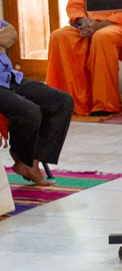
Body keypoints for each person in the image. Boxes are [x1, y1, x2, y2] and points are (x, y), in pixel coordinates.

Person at [46, 0, 122, 116]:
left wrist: (101, 25)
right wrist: (85, 22)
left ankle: (104, 105)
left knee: (102, 37)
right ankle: (66, 102)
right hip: (89, 25)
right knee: (59, 36)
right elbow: (74, 6)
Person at [0, 20, 73, 186]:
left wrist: (4, 37)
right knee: (31, 112)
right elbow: (5, 36)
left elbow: (11, 33)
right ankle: (23, 158)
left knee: (62, 102)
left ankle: (31, 162)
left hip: (10, 78)